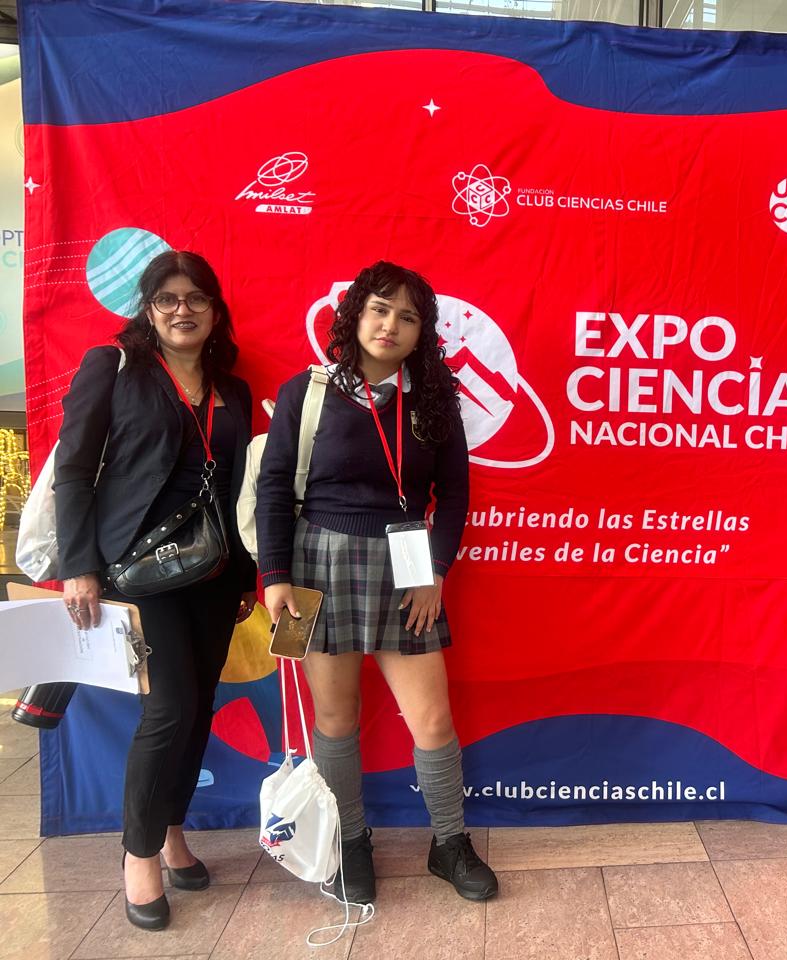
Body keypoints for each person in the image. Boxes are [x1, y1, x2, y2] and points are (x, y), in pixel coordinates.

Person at [255, 260, 496, 905]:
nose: (390, 325)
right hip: (315, 566)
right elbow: (273, 487)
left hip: (408, 564)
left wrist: (436, 572)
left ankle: (449, 844)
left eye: (407, 317)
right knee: (335, 719)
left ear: (422, 333)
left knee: (433, 720)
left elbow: (455, 495)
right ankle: (350, 842)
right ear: (356, 315)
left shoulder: (433, 403)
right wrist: (274, 578)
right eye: (380, 309)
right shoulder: (306, 393)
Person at [56, 251, 258, 929]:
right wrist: (79, 566)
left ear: (215, 310)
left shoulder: (234, 389)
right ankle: (138, 854)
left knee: (198, 707)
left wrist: (245, 575)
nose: (182, 310)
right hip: (139, 570)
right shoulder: (113, 369)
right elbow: (75, 469)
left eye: (196, 298)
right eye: (167, 298)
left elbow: (239, 489)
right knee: (168, 708)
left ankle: (172, 832)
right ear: (147, 308)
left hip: (214, 572)